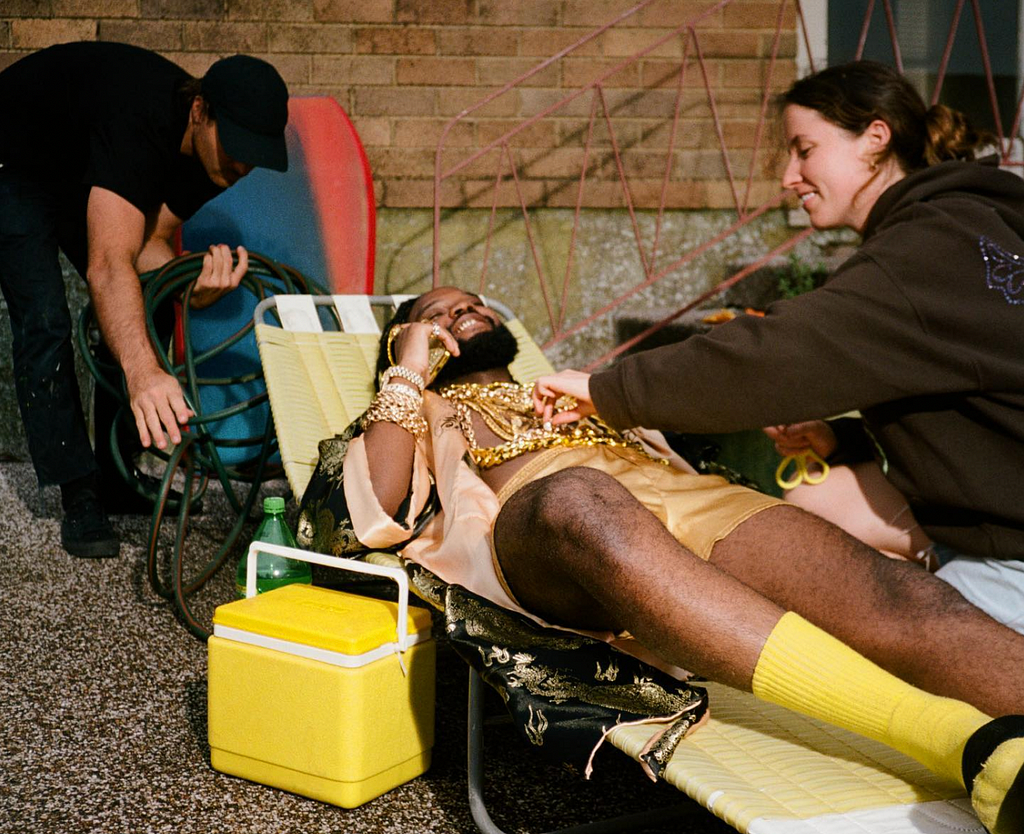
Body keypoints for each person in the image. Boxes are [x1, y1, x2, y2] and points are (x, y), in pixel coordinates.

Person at [327, 285, 1023, 834]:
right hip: (539, 537)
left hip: (684, 501)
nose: (465, 311)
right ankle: (957, 740)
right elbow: (371, 511)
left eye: (473, 303)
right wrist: (408, 368)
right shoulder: (421, 409)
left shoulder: (575, 389)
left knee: (899, 596)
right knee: (580, 497)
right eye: (439, 312)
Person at [532, 60, 1024, 635]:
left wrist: (607, 390)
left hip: (1012, 551)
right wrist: (843, 437)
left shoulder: (921, 252)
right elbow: (986, 386)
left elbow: (774, 353)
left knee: (841, 662)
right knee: (818, 496)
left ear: (875, 137)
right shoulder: (976, 221)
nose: (789, 176)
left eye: (804, 149)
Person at [0, 41, 289, 559]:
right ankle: (79, 491)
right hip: (13, 159)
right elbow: (108, 264)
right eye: (237, 144)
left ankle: (117, 478)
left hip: (77, 165)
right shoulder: (141, 117)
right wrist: (142, 370)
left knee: (148, 296)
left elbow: (148, 248)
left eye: (255, 152)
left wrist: (190, 289)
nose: (243, 164)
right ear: (200, 111)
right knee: (44, 316)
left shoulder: (215, 161)